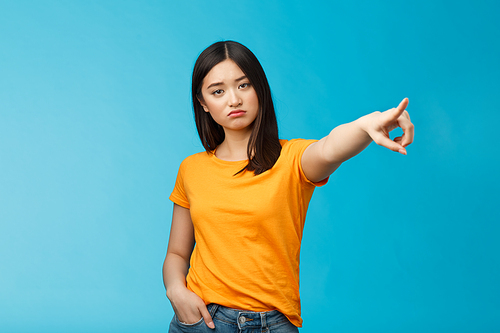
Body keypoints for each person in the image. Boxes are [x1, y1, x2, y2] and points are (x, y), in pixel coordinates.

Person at [163, 41, 414, 333]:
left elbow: (330, 148)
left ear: (260, 89)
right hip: (203, 319)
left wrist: (365, 125)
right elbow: (177, 254)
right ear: (203, 103)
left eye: (243, 85)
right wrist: (176, 292)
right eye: (218, 91)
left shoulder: (293, 159)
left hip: (272, 323)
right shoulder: (191, 169)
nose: (233, 99)